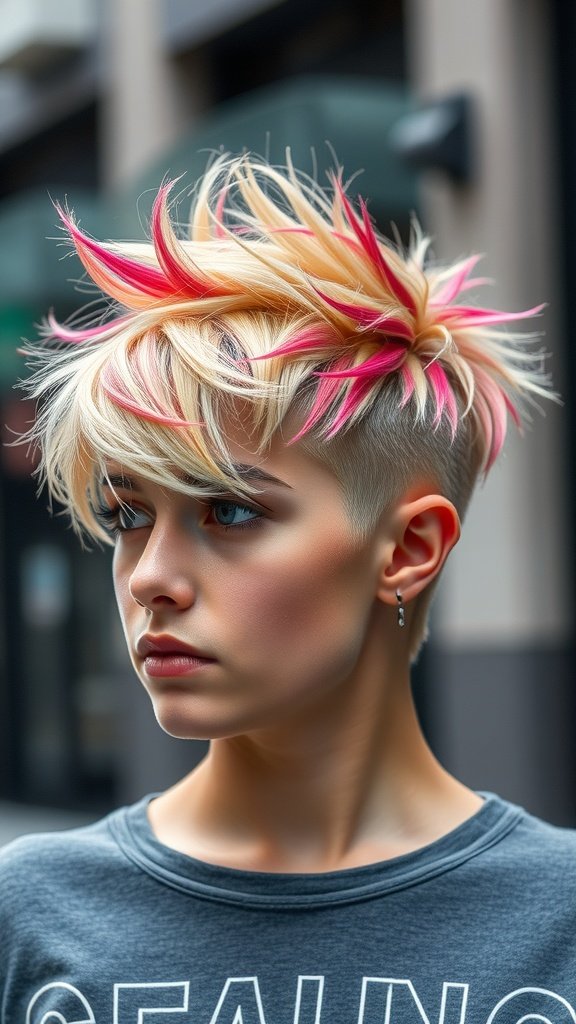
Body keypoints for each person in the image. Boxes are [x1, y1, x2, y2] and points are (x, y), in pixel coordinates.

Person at [0, 153, 571, 1023]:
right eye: (127, 517)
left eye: (229, 514)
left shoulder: (557, 923)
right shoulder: (31, 912)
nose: (150, 577)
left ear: (408, 550)